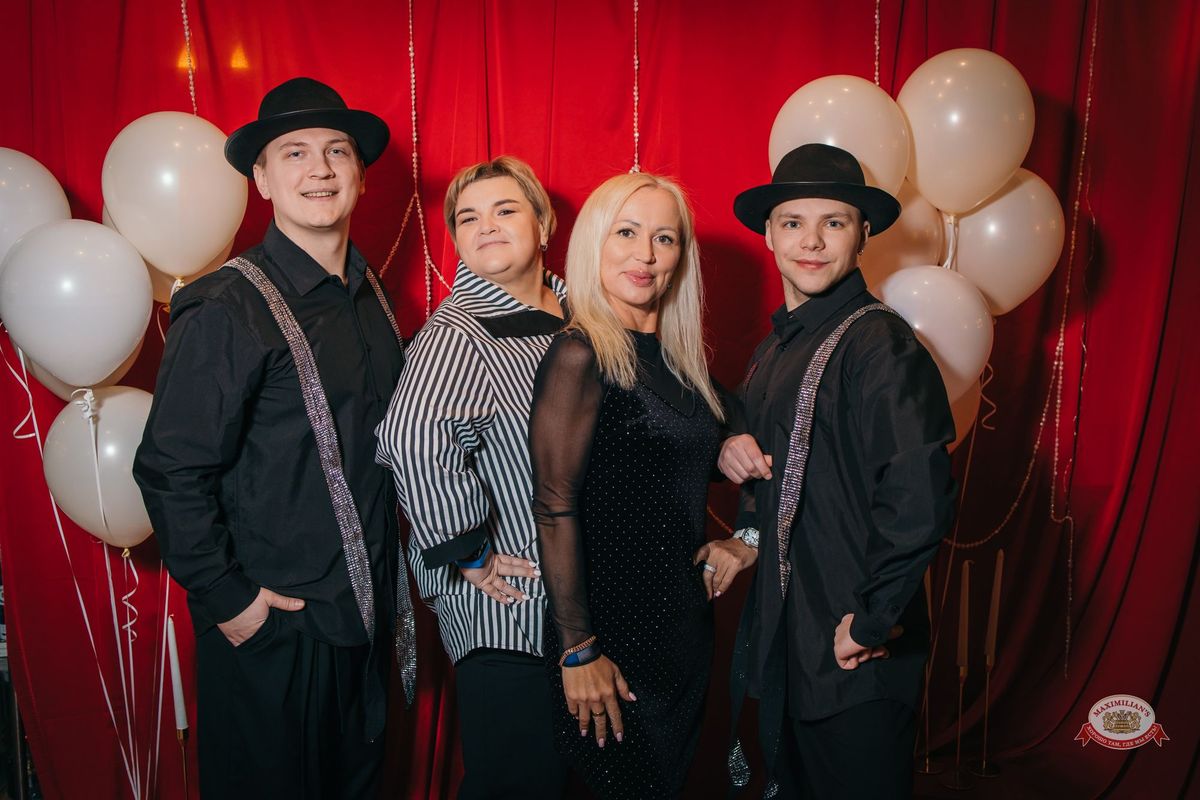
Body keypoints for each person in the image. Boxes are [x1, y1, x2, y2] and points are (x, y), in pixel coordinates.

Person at [133, 77, 412, 800]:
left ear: (359, 174)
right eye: (295, 153)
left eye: (336, 151)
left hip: (366, 622)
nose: (319, 169)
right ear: (261, 180)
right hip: (277, 630)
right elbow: (169, 469)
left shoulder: (372, 296)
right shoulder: (228, 305)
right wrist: (231, 601)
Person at [717, 143, 957, 798]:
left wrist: (873, 619)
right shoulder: (774, 349)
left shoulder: (880, 343)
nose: (812, 241)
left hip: (854, 653)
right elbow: (771, 473)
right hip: (791, 642)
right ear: (769, 235)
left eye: (834, 222)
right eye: (793, 222)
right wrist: (740, 501)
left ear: (863, 233)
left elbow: (919, 493)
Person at [375, 156, 570, 799]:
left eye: (505, 210)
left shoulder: (583, 315)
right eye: (467, 218)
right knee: (518, 783)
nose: (485, 225)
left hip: (580, 607)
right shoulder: (459, 334)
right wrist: (468, 548)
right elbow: (411, 439)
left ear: (543, 224)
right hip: (510, 612)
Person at [530, 172, 730, 799]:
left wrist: (747, 536)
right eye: (626, 232)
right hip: (608, 645)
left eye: (663, 238)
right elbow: (554, 507)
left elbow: (759, 437)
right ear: (595, 242)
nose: (644, 254)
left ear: (680, 257)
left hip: (682, 635)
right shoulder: (579, 354)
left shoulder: (682, 365)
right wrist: (578, 649)